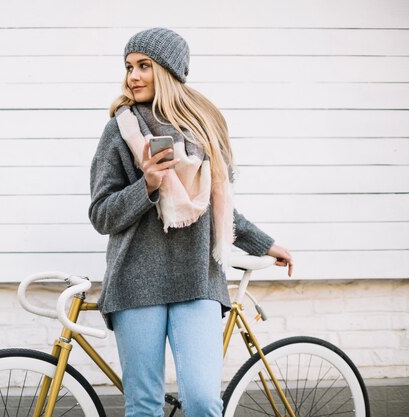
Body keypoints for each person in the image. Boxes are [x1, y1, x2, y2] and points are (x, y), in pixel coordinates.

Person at [88, 28, 294, 417]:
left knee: (202, 401)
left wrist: (263, 243)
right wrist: (147, 184)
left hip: (198, 278)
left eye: (144, 66)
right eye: (129, 66)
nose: (132, 76)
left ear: (168, 70)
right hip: (135, 281)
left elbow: (221, 206)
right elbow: (101, 214)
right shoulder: (120, 129)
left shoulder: (205, 129)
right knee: (144, 406)